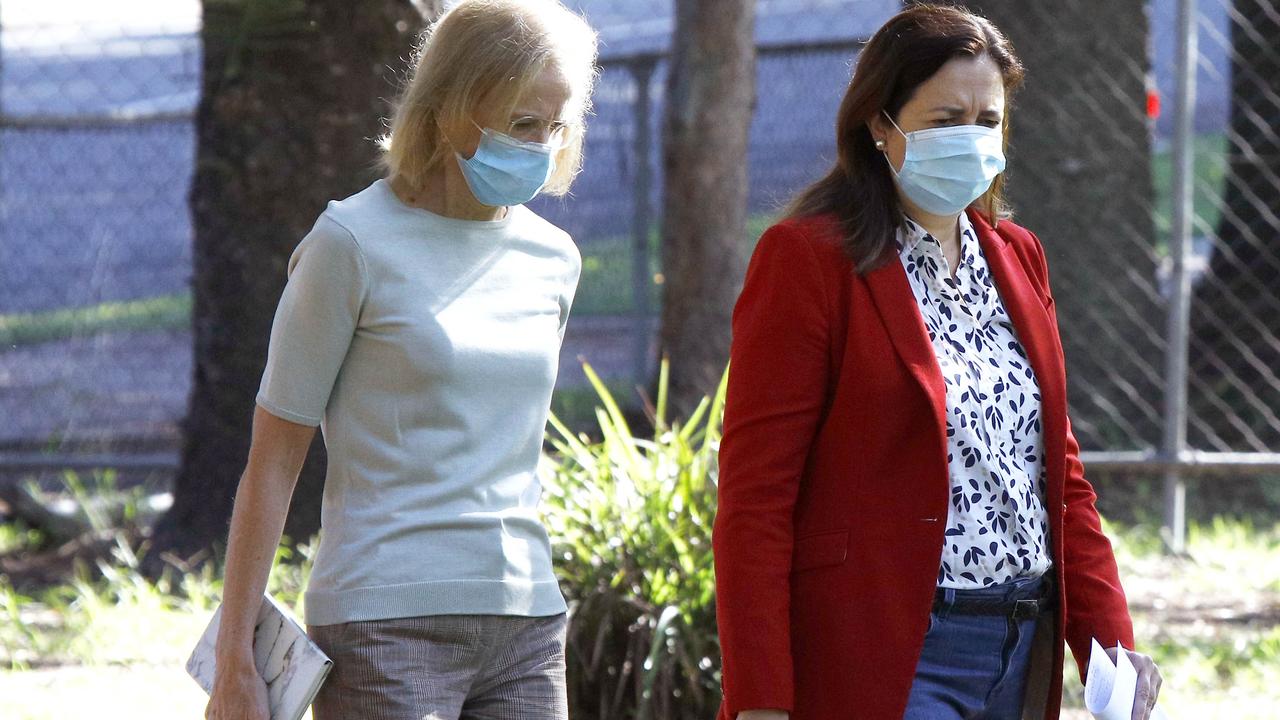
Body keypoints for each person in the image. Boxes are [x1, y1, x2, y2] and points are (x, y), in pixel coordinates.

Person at [712, 5, 1162, 720]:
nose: (972, 137)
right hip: (890, 654)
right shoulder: (808, 260)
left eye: (988, 120)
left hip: (1021, 649)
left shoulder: (1018, 258)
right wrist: (761, 698)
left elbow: (1059, 477)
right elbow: (755, 501)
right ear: (879, 124)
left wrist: (1111, 652)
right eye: (946, 118)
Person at [204, 2, 597, 718]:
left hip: (528, 622)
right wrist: (235, 655)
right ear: (448, 111)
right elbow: (274, 459)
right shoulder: (349, 244)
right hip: (382, 625)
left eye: (556, 125)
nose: (542, 147)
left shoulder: (555, 259)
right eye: (520, 124)